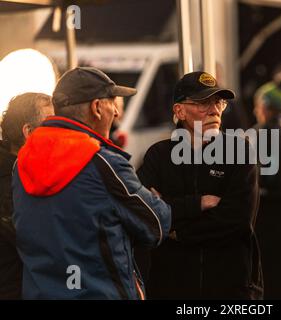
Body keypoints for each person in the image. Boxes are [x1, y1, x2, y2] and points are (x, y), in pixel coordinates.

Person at [12, 67, 171, 299]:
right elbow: (156, 225)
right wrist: (157, 200)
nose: (116, 112)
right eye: (112, 102)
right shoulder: (103, 163)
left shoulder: (22, 162)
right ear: (96, 108)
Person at [137, 71, 263, 299]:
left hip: (231, 288)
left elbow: (237, 219)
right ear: (179, 111)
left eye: (219, 102)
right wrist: (195, 204)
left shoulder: (240, 151)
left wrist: (176, 231)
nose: (214, 110)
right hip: (172, 287)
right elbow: (142, 212)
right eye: (204, 103)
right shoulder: (158, 155)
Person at [0, 93, 54, 299]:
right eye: (52, 126)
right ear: (29, 132)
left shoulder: (22, 172)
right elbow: (37, 239)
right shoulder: (9, 179)